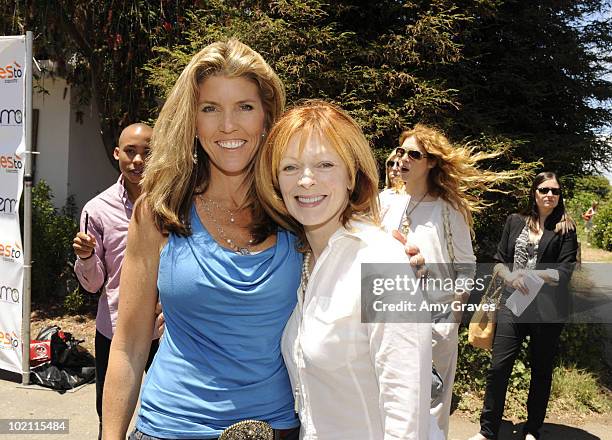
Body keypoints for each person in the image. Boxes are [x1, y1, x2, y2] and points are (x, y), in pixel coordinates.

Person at [101, 39, 304, 440]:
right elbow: (128, 344)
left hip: (277, 426)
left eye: (244, 107)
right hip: (169, 428)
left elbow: (352, 274)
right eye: (210, 108)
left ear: (267, 116)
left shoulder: (298, 210)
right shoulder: (158, 212)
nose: (228, 125)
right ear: (191, 120)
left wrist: (398, 258)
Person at [256, 100, 432, 439]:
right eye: (290, 167)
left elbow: (406, 411)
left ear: (352, 175)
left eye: (324, 164)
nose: (306, 181)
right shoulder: (298, 258)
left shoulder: (383, 262)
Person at [379, 124, 518, 439]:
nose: (403, 159)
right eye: (401, 151)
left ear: (430, 162)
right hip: (390, 315)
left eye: (414, 154)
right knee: (392, 398)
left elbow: (467, 266)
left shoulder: (448, 209)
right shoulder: (385, 201)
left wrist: (454, 313)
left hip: (436, 319)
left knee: (433, 402)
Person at [469, 172, 578, 440]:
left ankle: (532, 429)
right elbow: (499, 260)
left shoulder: (565, 228)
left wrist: (531, 276)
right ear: (534, 192)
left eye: (555, 190)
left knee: (541, 371)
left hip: (548, 310)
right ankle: (488, 431)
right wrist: (509, 277)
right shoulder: (515, 222)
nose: (550, 195)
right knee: (498, 368)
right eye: (544, 189)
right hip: (513, 305)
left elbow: (564, 273)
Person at [72, 123, 160, 439]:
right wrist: (85, 258)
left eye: (147, 152)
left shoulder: (174, 202)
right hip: (116, 328)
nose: (138, 160)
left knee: (172, 415)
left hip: (168, 329)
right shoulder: (97, 209)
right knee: (109, 420)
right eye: (130, 152)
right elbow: (94, 285)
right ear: (116, 153)